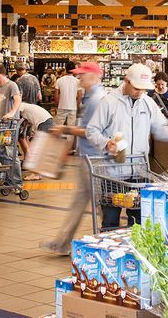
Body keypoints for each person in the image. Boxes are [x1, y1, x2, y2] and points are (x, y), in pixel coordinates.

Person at [86, 63, 168, 230]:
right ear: (126, 81)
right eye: (136, 88)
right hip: (112, 174)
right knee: (110, 222)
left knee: (139, 223)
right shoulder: (109, 102)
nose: (139, 92)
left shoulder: (147, 103)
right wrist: (106, 143)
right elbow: (92, 130)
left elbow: (160, 131)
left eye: (143, 89)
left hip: (139, 172)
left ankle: (134, 254)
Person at [39, 63, 107, 254]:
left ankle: (112, 240)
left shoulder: (96, 100)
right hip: (87, 156)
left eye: (82, 75)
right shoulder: (89, 96)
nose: (79, 78)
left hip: (95, 159)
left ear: (94, 77)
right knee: (81, 202)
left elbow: (92, 132)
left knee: (100, 204)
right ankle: (63, 242)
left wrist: (65, 129)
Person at [0, 64, 23, 190]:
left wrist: (12, 112)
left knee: (10, 153)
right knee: (2, 153)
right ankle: (8, 181)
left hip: (10, 123)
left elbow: (17, 99)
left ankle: (17, 183)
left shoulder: (12, 85)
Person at [54, 61, 81, 127]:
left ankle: (58, 137)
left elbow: (56, 96)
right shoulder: (77, 82)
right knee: (71, 128)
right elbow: (80, 97)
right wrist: (76, 105)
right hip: (73, 107)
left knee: (58, 127)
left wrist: (57, 105)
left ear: (65, 69)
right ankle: (70, 137)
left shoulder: (59, 80)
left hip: (61, 106)